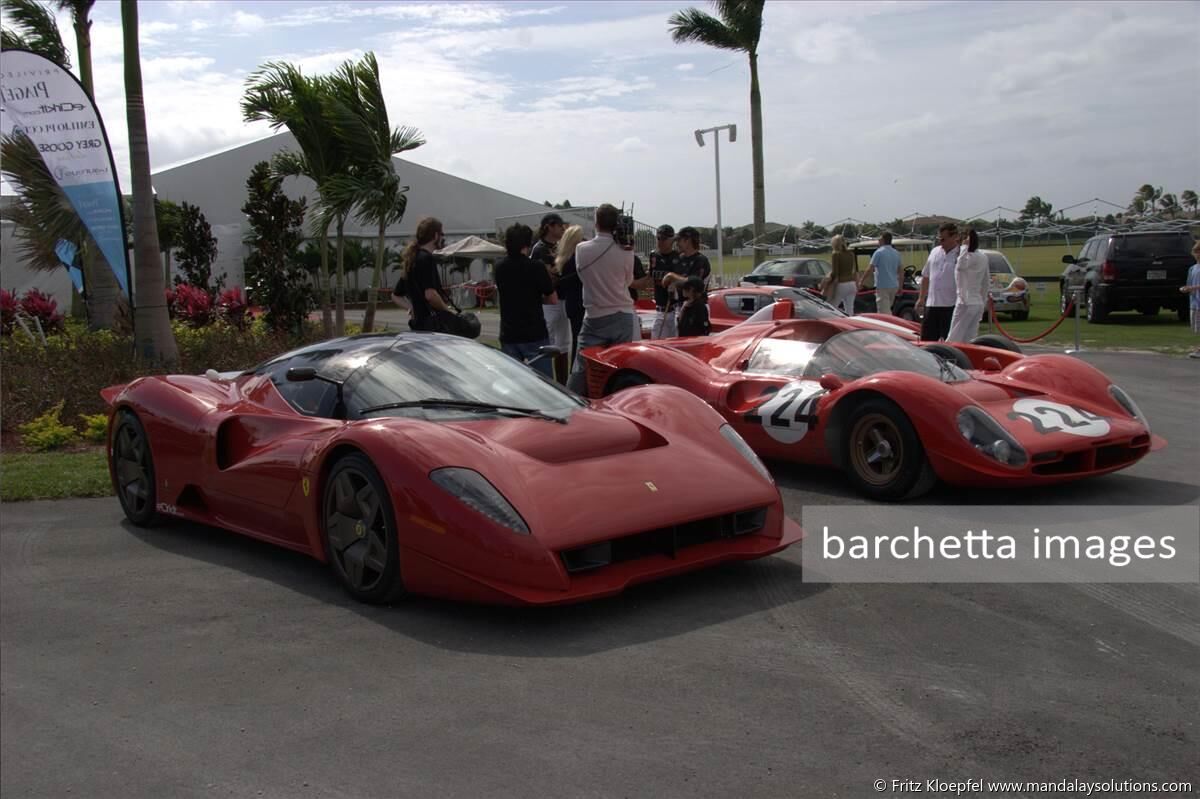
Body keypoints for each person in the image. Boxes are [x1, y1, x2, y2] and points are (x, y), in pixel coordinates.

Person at [566, 204, 636, 394]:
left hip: (595, 315)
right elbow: (628, 281)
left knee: (582, 366)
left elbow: (583, 277)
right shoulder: (626, 250)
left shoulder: (582, 249)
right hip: (623, 314)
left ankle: (573, 404)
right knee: (619, 367)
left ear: (596, 222)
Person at [494, 223, 555, 377]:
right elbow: (552, 298)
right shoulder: (536, 267)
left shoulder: (499, 267)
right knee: (542, 381)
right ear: (527, 244)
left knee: (513, 380)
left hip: (509, 333)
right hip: (534, 332)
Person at [530, 212, 571, 362]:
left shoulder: (561, 247)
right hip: (548, 301)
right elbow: (546, 276)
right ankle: (542, 373)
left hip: (563, 297)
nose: (563, 229)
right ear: (549, 227)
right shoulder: (539, 248)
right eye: (559, 225)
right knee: (547, 341)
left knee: (563, 344)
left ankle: (562, 377)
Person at [397, 217, 449, 332]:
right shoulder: (427, 258)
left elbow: (396, 295)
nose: (442, 238)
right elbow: (430, 295)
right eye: (442, 234)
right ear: (435, 236)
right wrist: (447, 311)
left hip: (417, 324)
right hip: (432, 325)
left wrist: (412, 308)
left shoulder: (411, 259)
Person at [917, 222, 961, 341]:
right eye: (939, 239)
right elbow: (926, 276)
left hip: (951, 305)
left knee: (950, 341)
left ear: (954, 237)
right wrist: (921, 298)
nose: (941, 242)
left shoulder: (961, 255)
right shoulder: (935, 251)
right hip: (932, 304)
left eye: (943, 239)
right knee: (927, 340)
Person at [947, 229, 989, 342]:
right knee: (970, 337)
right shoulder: (983, 257)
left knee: (954, 336)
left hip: (965, 302)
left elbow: (960, 266)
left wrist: (964, 247)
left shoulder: (967, 257)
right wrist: (983, 301)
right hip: (977, 302)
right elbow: (986, 282)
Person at [660, 226, 712, 317]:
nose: (677, 244)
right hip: (680, 306)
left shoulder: (701, 260)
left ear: (687, 240)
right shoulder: (678, 259)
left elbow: (694, 284)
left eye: (679, 240)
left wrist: (672, 276)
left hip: (696, 307)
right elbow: (663, 250)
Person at [554, 224, 586, 365]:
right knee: (580, 341)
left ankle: (574, 368)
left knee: (576, 340)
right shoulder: (575, 259)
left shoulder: (564, 259)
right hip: (579, 303)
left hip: (572, 303)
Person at [649, 224, 682, 338]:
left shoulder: (679, 256)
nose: (660, 242)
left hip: (675, 309)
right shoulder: (654, 256)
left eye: (664, 239)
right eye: (658, 238)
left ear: (671, 240)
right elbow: (649, 278)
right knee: (656, 342)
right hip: (660, 310)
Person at [868, 231, 902, 315]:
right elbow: (901, 271)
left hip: (882, 286)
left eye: (879, 239)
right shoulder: (896, 253)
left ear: (883, 240)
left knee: (884, 313)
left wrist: (861, 281)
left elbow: (870, 268)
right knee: (887, 309)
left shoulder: (879, 252)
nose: (878, 241)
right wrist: (900, 286)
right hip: (894, 285)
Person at [828, 235, 858, 316]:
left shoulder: (835, 254)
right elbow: (854, 270)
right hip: (852, 284)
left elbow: (835, 273)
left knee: (832, 307)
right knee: (850, 308)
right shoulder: (851, 254)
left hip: (841, 283)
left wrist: (827, 280)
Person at [1182, 240, 1200, 359]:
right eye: (1196, 251)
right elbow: (1189, 284)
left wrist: (1193, 288)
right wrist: (1186, 289)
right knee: (1197, 328)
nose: (1198, 254)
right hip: (1194, 302)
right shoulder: (1192, 268)